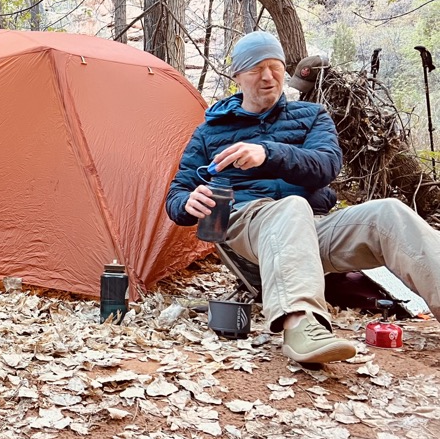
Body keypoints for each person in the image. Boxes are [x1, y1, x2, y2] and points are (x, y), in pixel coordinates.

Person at [166, 31, 440, 365]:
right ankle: (301, 325)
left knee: (388, 213)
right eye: (255, 69)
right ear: (237, 76)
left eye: (275, 66)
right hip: (246, 225)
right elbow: (178, 193)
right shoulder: (211, 131)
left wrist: (268, 153)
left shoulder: (312, 117)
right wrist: (187, 202)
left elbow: (325, 166)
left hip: (312, 227)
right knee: (290, 208)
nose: (268, 76)